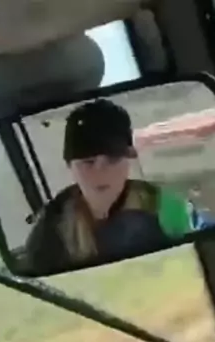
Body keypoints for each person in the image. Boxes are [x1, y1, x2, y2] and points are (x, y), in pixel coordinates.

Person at [23, 99, 194, 274]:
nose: (101, 171)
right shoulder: (51, 227)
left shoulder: (168, 206)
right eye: (88, 162)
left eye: (113, 159)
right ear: (69, 166)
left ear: (128, 161)